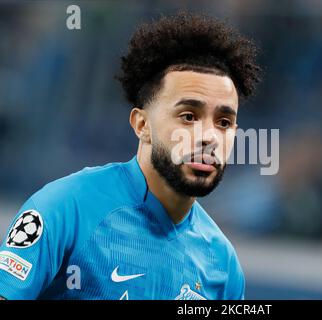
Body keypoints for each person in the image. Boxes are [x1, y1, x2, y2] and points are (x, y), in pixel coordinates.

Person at [0, 11, 261, 300]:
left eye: (224, 122)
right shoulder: (65, 208)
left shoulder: (223, 266)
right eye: (188, 116)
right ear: (142, 124)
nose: (208, 137)